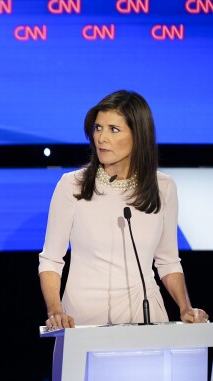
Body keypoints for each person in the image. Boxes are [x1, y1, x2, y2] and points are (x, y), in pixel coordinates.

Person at [38, 89, 208, 330]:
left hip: (145, 318)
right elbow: (51, 260)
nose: (101, 138)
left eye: (113, 129)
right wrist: (56, 311)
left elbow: (168, 261)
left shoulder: (164, 187)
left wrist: (185, 308)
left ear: (138, 135)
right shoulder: (71, 185)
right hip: (83, 322)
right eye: (98, 128)